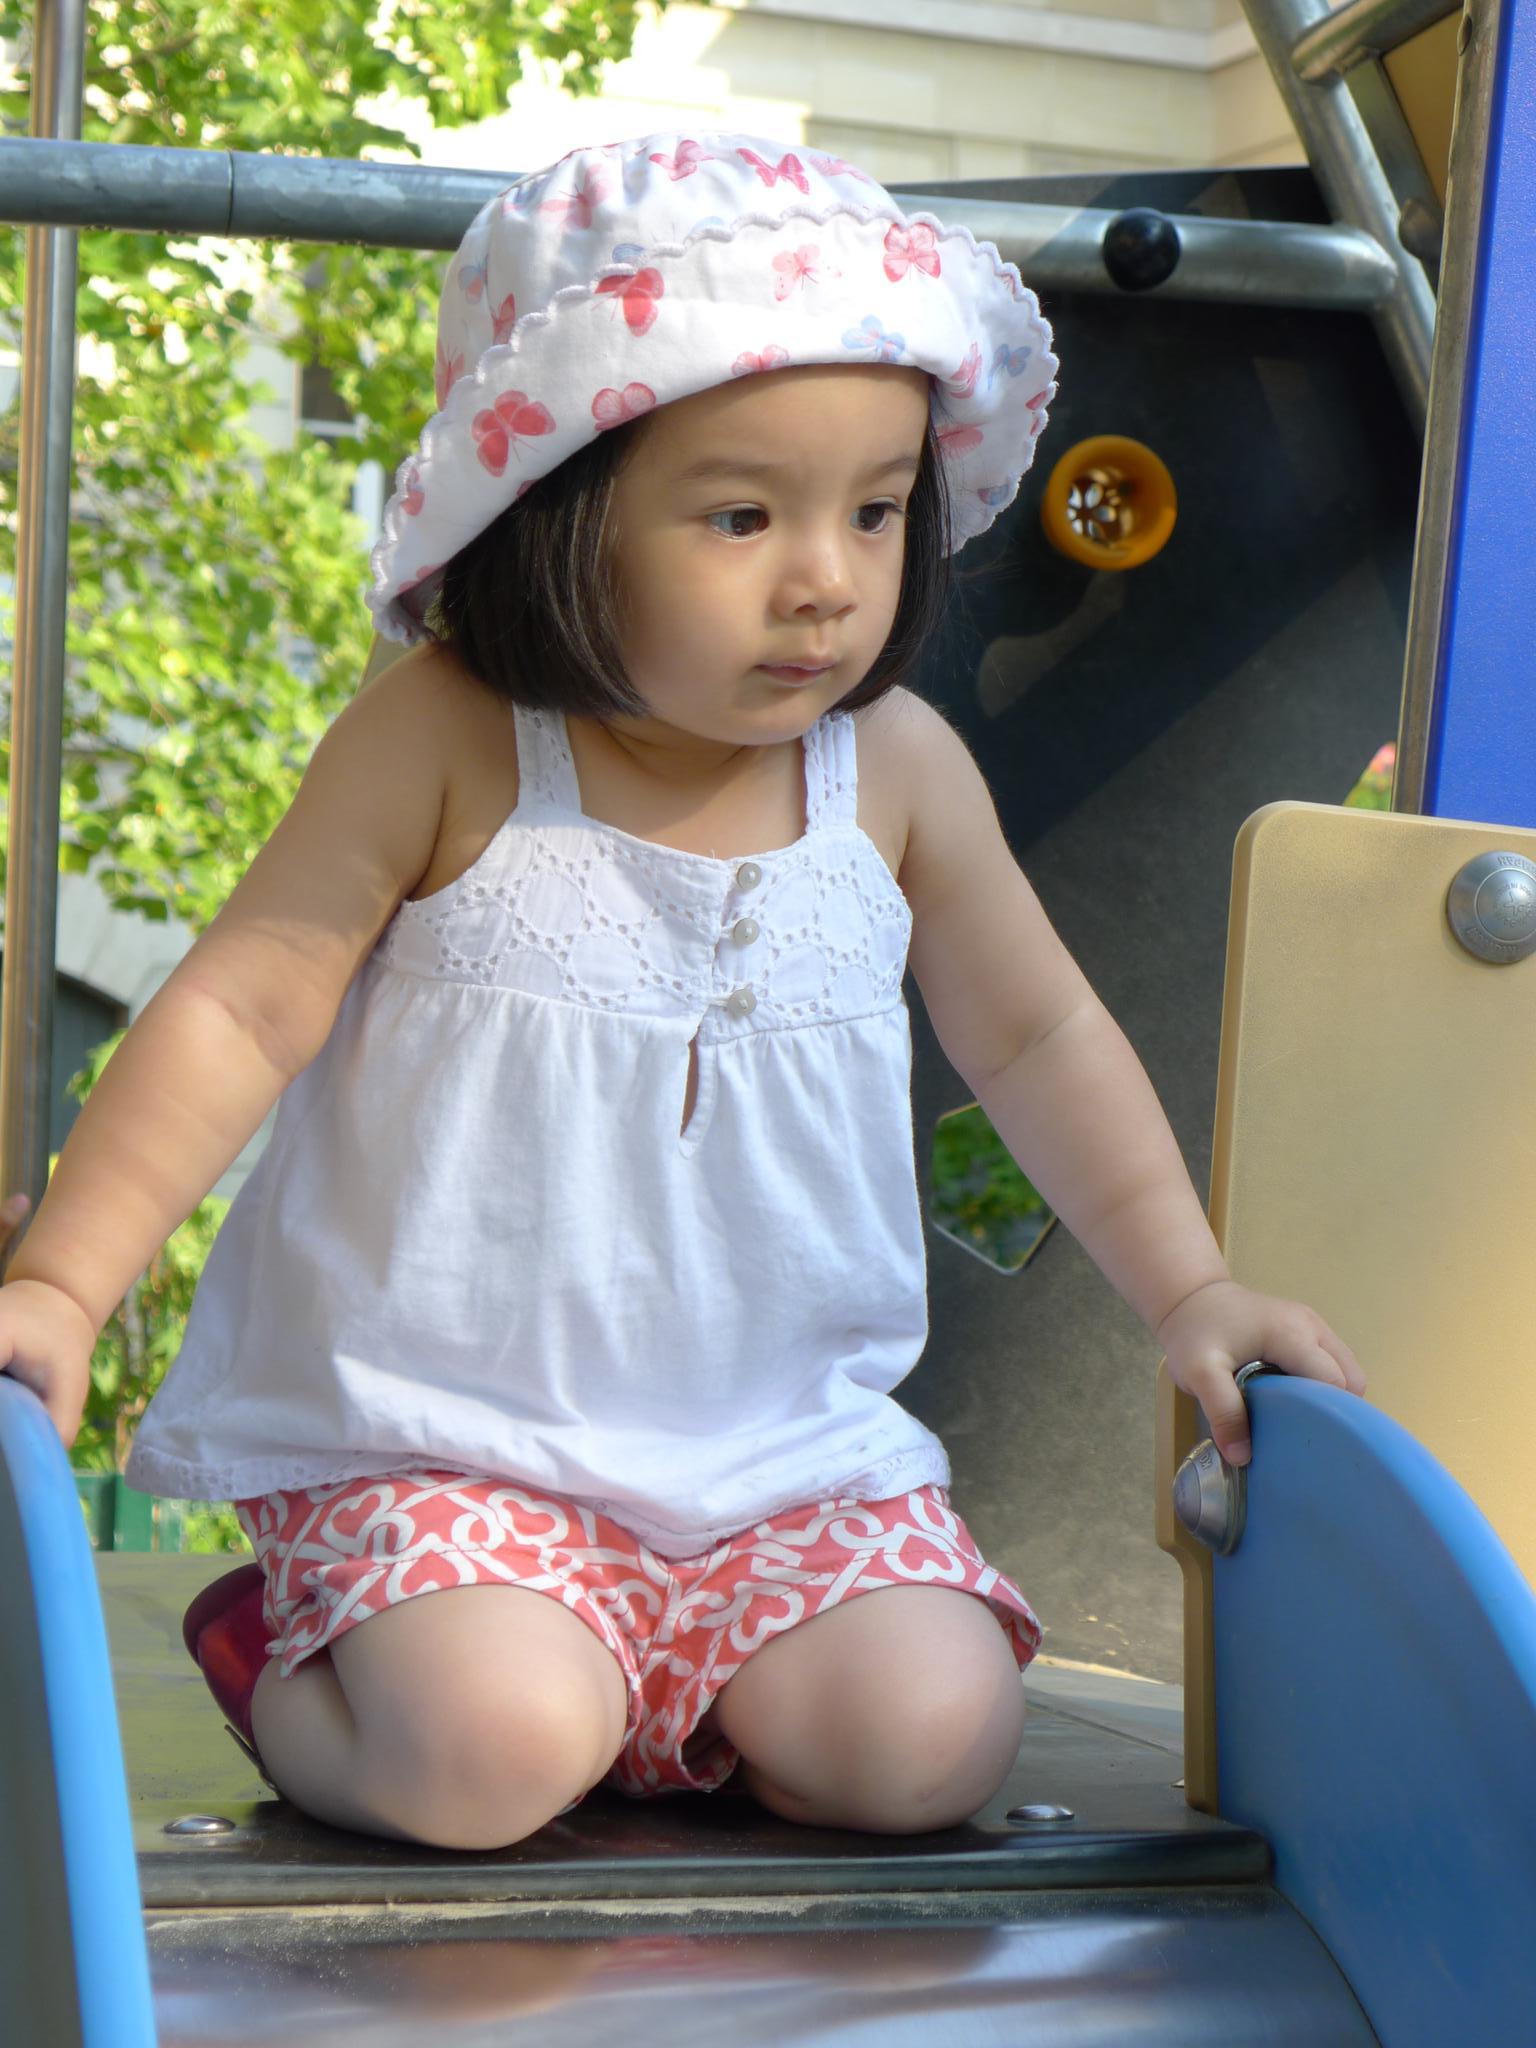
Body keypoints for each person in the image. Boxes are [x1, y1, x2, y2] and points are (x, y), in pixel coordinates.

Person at [0, 132, 1364, 1852]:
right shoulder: (450, 742)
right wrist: (63, 1285)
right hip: (454, 1452)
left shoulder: (896, 774)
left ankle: (662, 1698)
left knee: (931, 1742)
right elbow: (242, 1008)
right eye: (742, 516)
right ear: (555, 512)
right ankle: (299, 1657)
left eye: (876, 511)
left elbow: (1038, 1035)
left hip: (777, 1464)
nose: (827, 579)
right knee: (488, 1755)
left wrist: (1191, 1291)